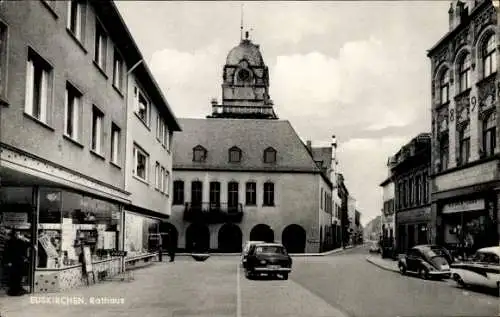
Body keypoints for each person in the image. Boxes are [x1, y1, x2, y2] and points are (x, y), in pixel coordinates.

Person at [4, 230, 35, 296]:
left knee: (16, 276)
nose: (18, 235)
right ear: (14, 235)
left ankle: (15, 290)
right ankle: (15, 291)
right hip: (15, 261)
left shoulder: (17, 241)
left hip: (17, 262)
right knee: (15, 276)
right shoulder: (13, 242)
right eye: (17, 234)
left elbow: (28, 245)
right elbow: (6, 252)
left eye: (18, 234)